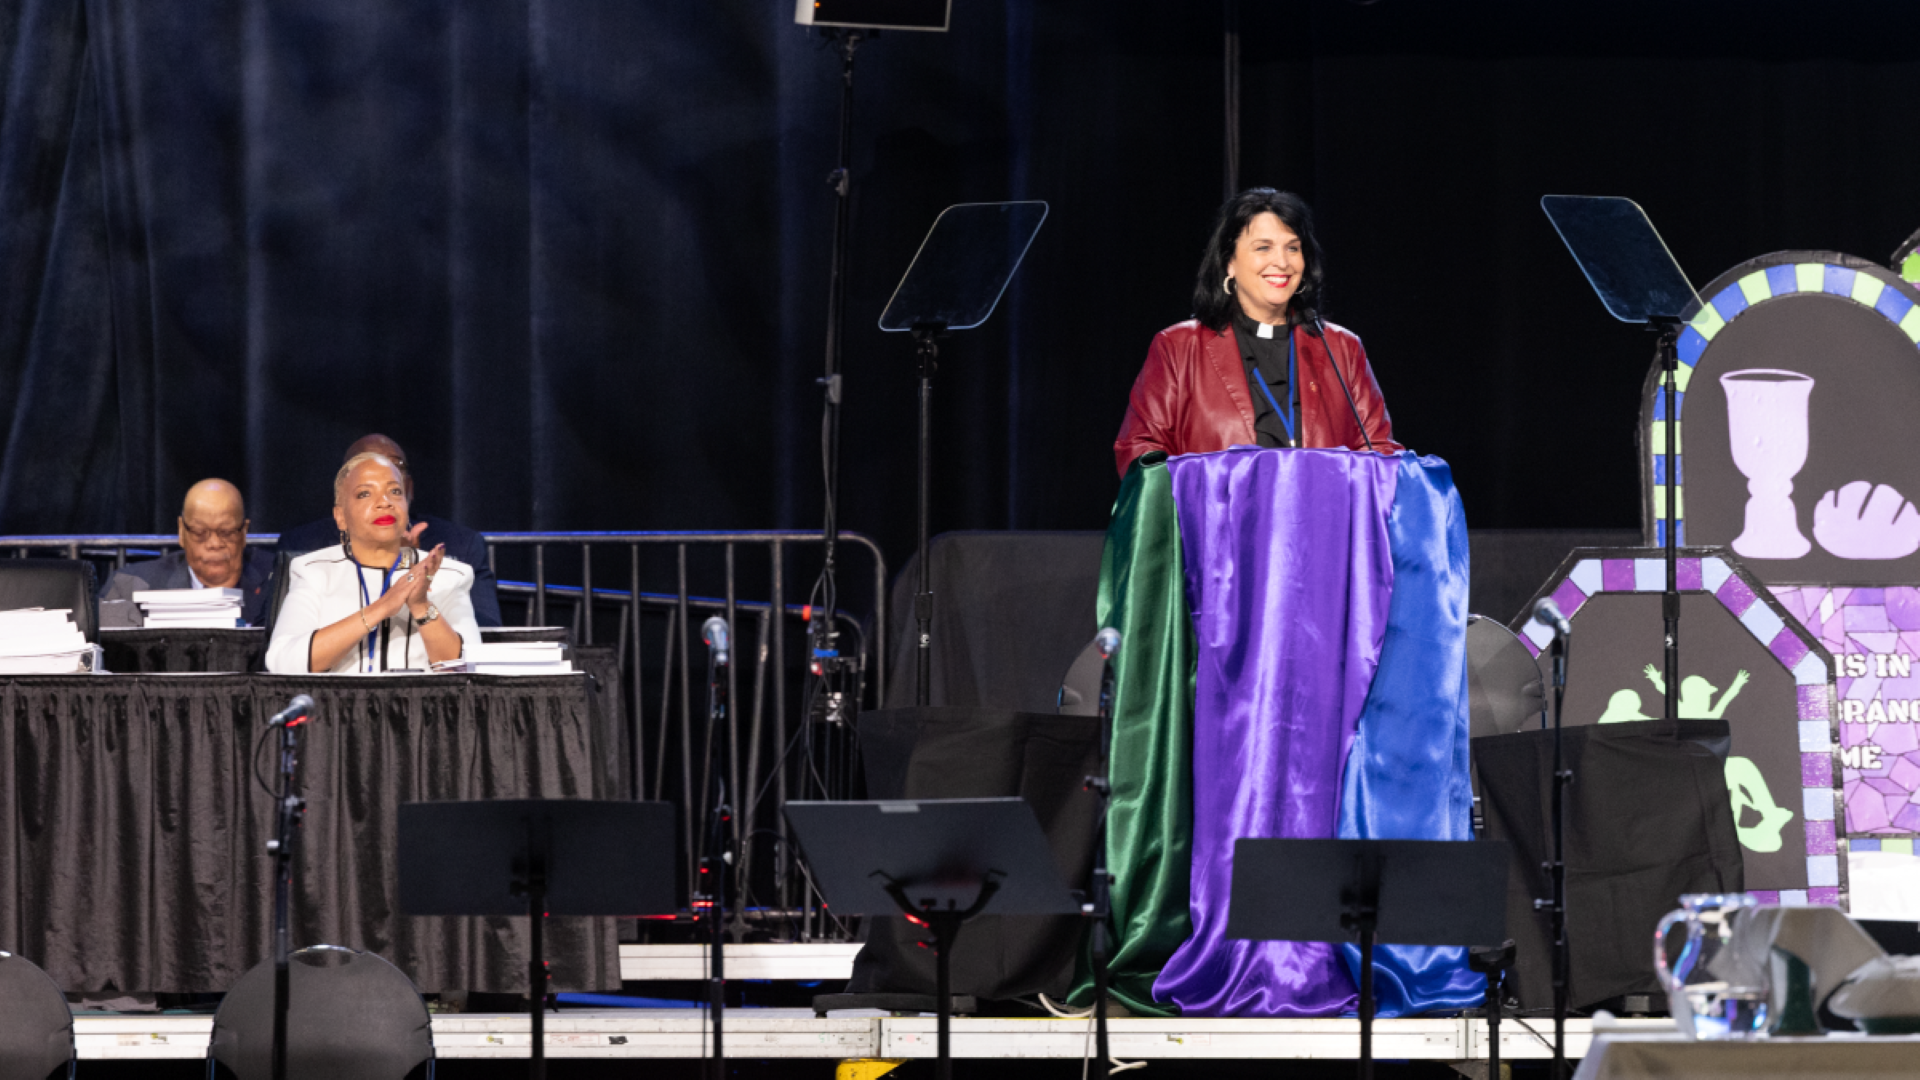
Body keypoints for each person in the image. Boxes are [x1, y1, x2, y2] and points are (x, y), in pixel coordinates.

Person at [1113, 188, 1402, 475]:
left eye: (1293, 247)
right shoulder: (1177, 347)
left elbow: (1379, 450)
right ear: (1229, 262)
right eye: (1263, 247)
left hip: (1321, 519)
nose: (1282, 262)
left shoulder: (1342, 347)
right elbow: (1140, 452)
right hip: (1217, 520)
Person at [265, 452, 481, 673]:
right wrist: (381, 608)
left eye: (395, 492)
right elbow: (282, 663)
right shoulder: (314, 571)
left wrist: (421, 606)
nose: (384, 503)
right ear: (340, 517)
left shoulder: (449, 575)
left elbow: (471, 668)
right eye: (365, 494)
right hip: (336, 706)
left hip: (422, 707)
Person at [276, 434, 502, 626]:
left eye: (393, 485)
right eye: (366, 490)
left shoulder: (461, 546)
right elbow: (275, 643)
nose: (382, 500)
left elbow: (488, 634)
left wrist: (416, 574)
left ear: (408, 489)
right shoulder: (303, 551)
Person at [98, 478, 277, 624]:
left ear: (244, 532)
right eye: (200, 533)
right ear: (182, 532)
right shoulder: (131, 586)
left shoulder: (278, 581)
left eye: (226, 532)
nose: (214, 543)